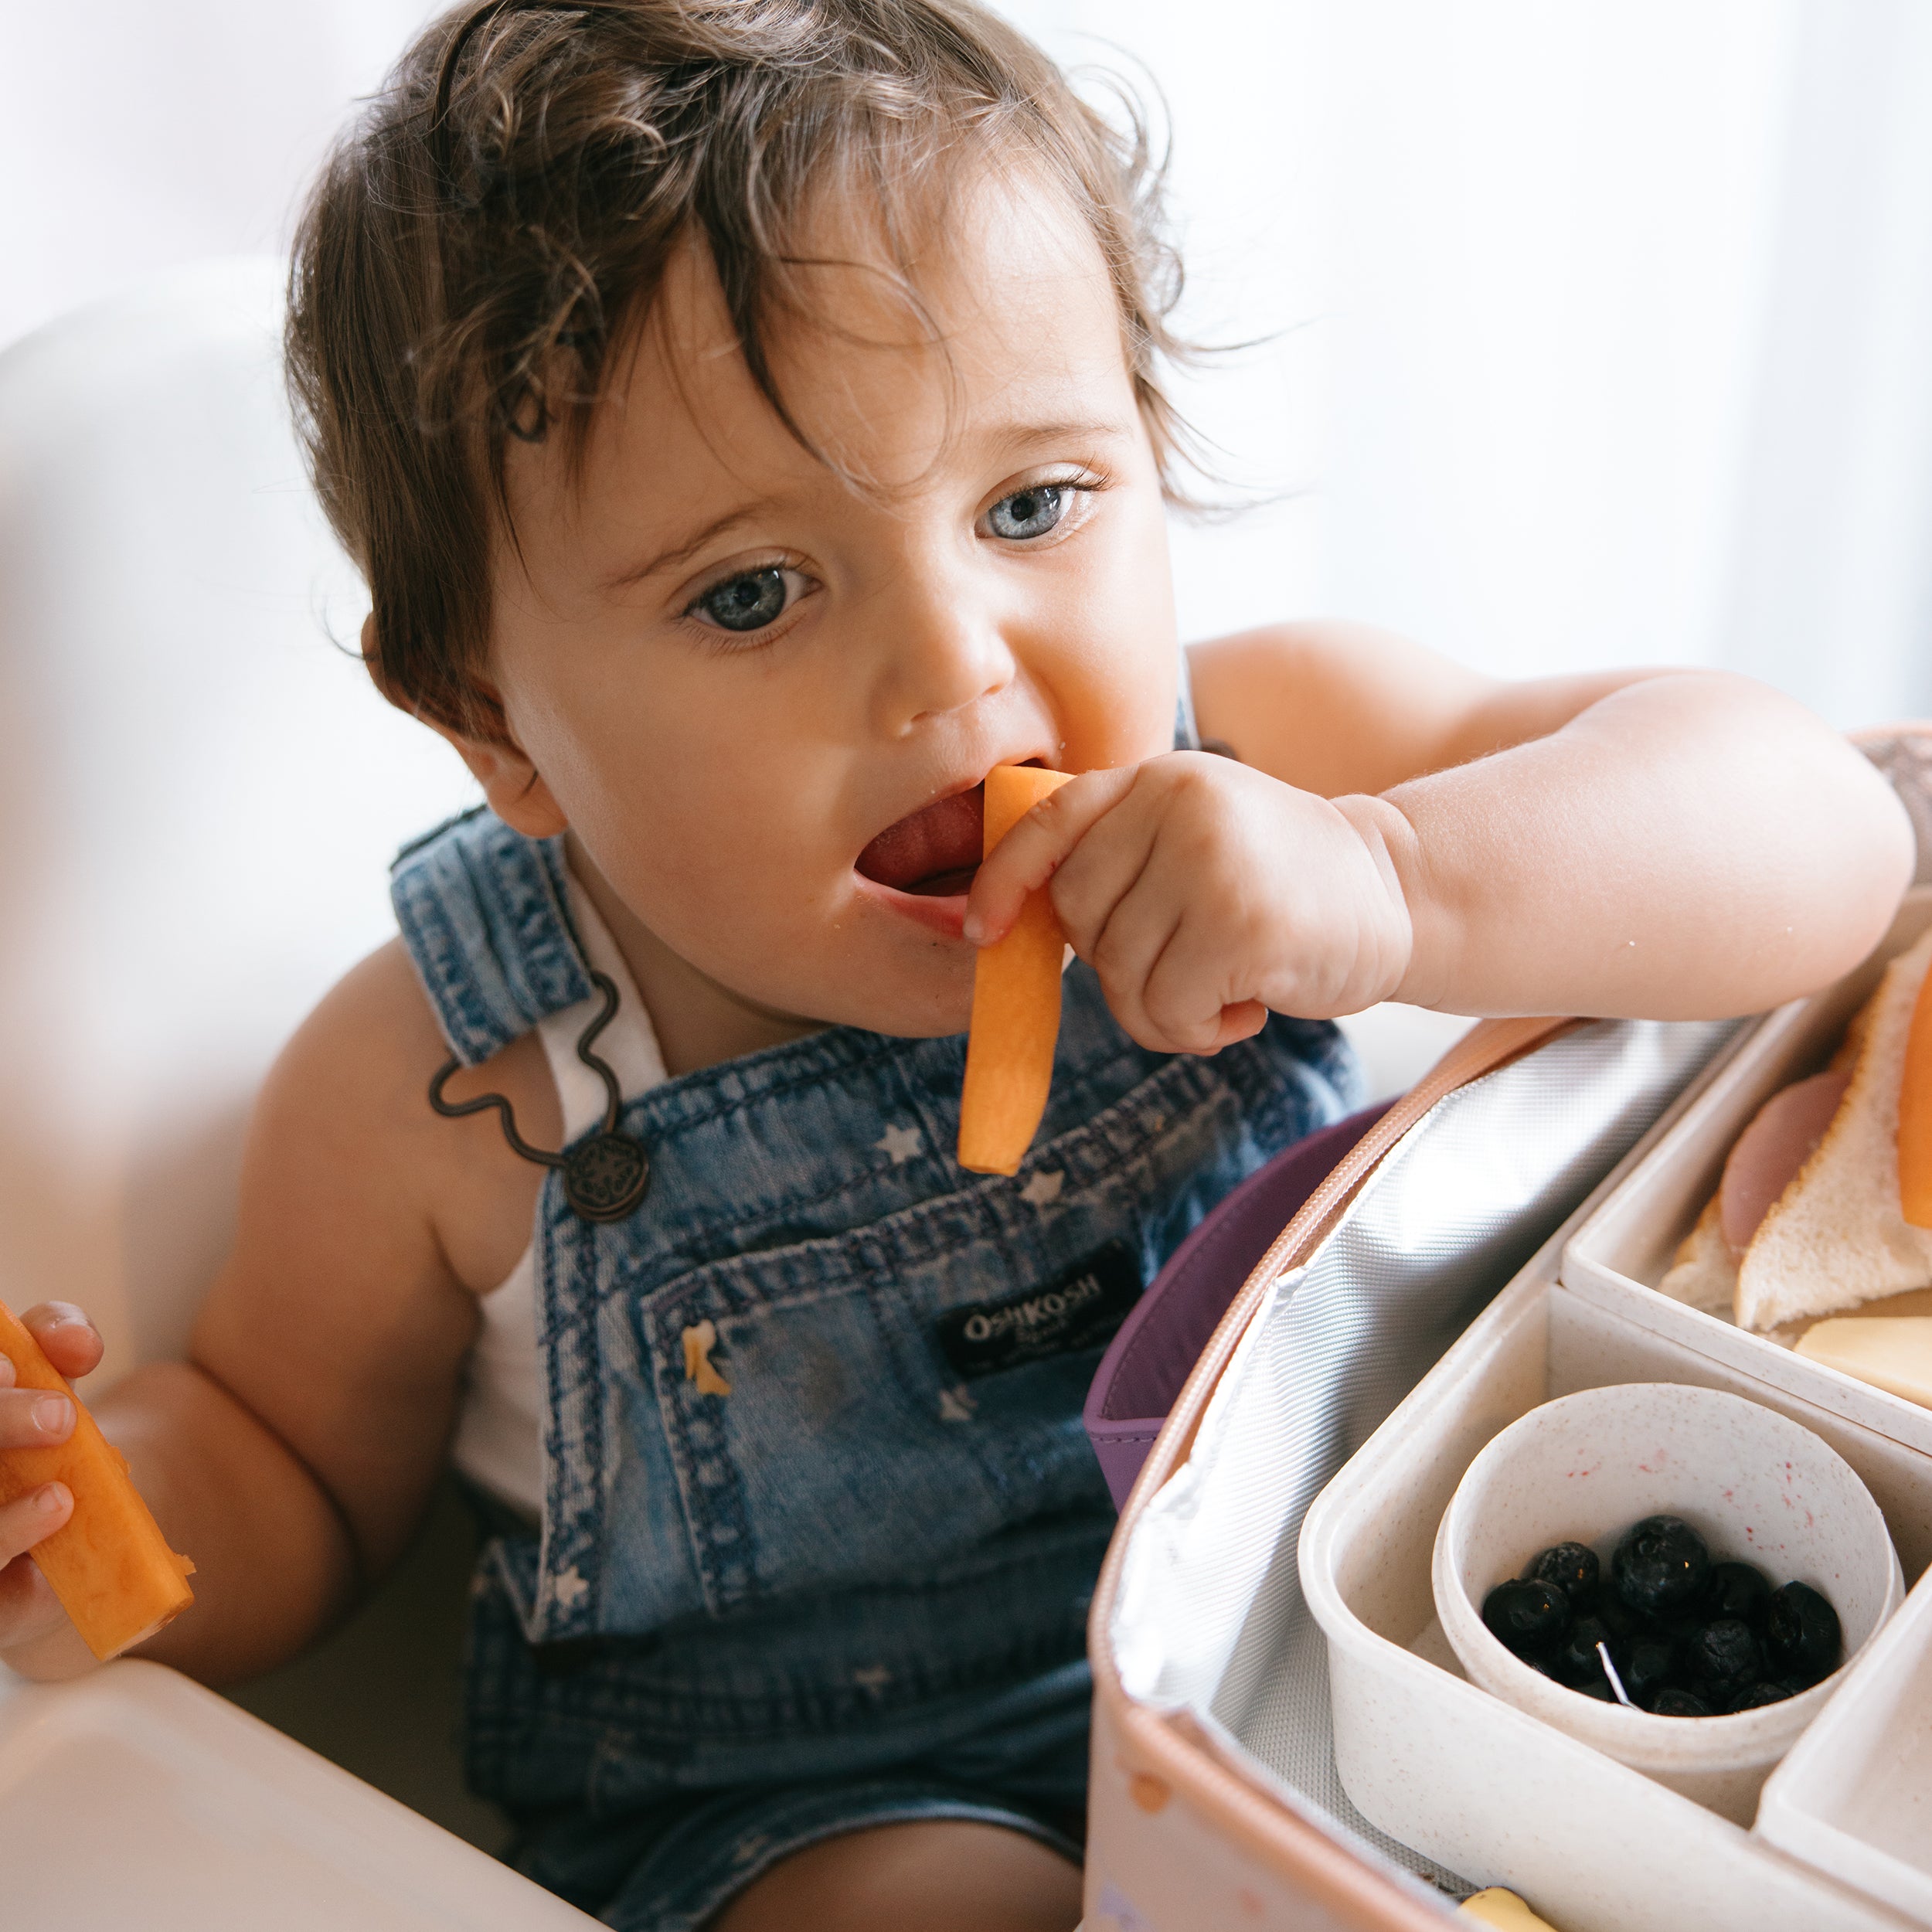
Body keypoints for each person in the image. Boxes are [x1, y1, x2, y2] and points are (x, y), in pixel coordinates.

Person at [0, 3, 1911, 1928]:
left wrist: (1395, 873)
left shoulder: (1268, 749)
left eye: (1029, 504)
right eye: (751, 591)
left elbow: (1828, 836)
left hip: (1326, 1632)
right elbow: (289, 1476)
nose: (949, 664)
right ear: (495, 723)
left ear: (1148, 458)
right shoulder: (460, 1081)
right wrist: (89, 1498)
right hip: (835, 1790)